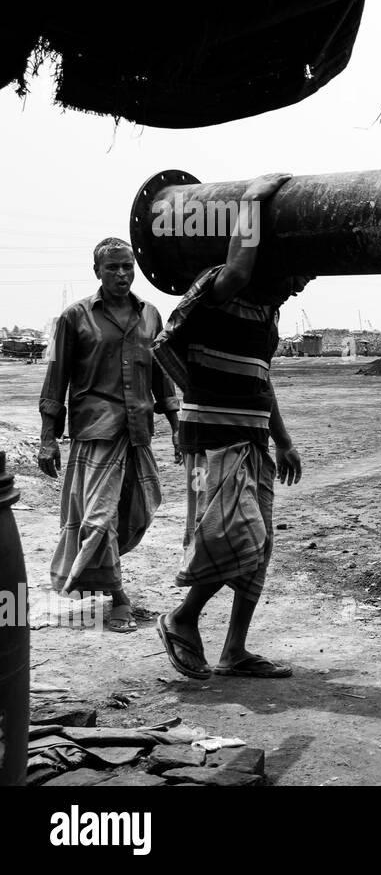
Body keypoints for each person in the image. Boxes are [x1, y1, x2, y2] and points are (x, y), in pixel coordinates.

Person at [152, 172, 310, 680]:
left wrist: (283, 441)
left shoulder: (266, 317)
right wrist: (251, 200)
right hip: (214, 436)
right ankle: (182, 617)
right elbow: (241, 268)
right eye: (295, 274)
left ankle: (234, 651)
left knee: (259, 547)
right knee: (236, 536)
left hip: (252, 439)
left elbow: (260, 381)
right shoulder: (218, 286)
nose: (300, 283)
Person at [37, 238, 180, 633]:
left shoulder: (150, 314)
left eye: (128, 266)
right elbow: (56, 378)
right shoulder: (75, 317)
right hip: (96, 431)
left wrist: (176, 423)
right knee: (100, 518)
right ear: (97, 271)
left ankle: (96, 575)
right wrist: (48, 438)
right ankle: (118, 597)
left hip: (138, 432)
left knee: (138, 509)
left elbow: (161, 373)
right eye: (113, 267)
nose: (122, 274)